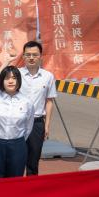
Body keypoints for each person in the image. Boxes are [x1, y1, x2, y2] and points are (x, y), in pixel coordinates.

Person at [16, 40, 58, 176]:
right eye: (28, 55)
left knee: (33, 162)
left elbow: (49, 101)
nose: (31, 58)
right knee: (16, 160)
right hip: (17, 122)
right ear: (23, 56)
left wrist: (47, 125)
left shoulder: (48, 76)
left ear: (40, 56)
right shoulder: (16, 74)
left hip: (37, 123)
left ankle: (31, 187)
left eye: (35, 55)